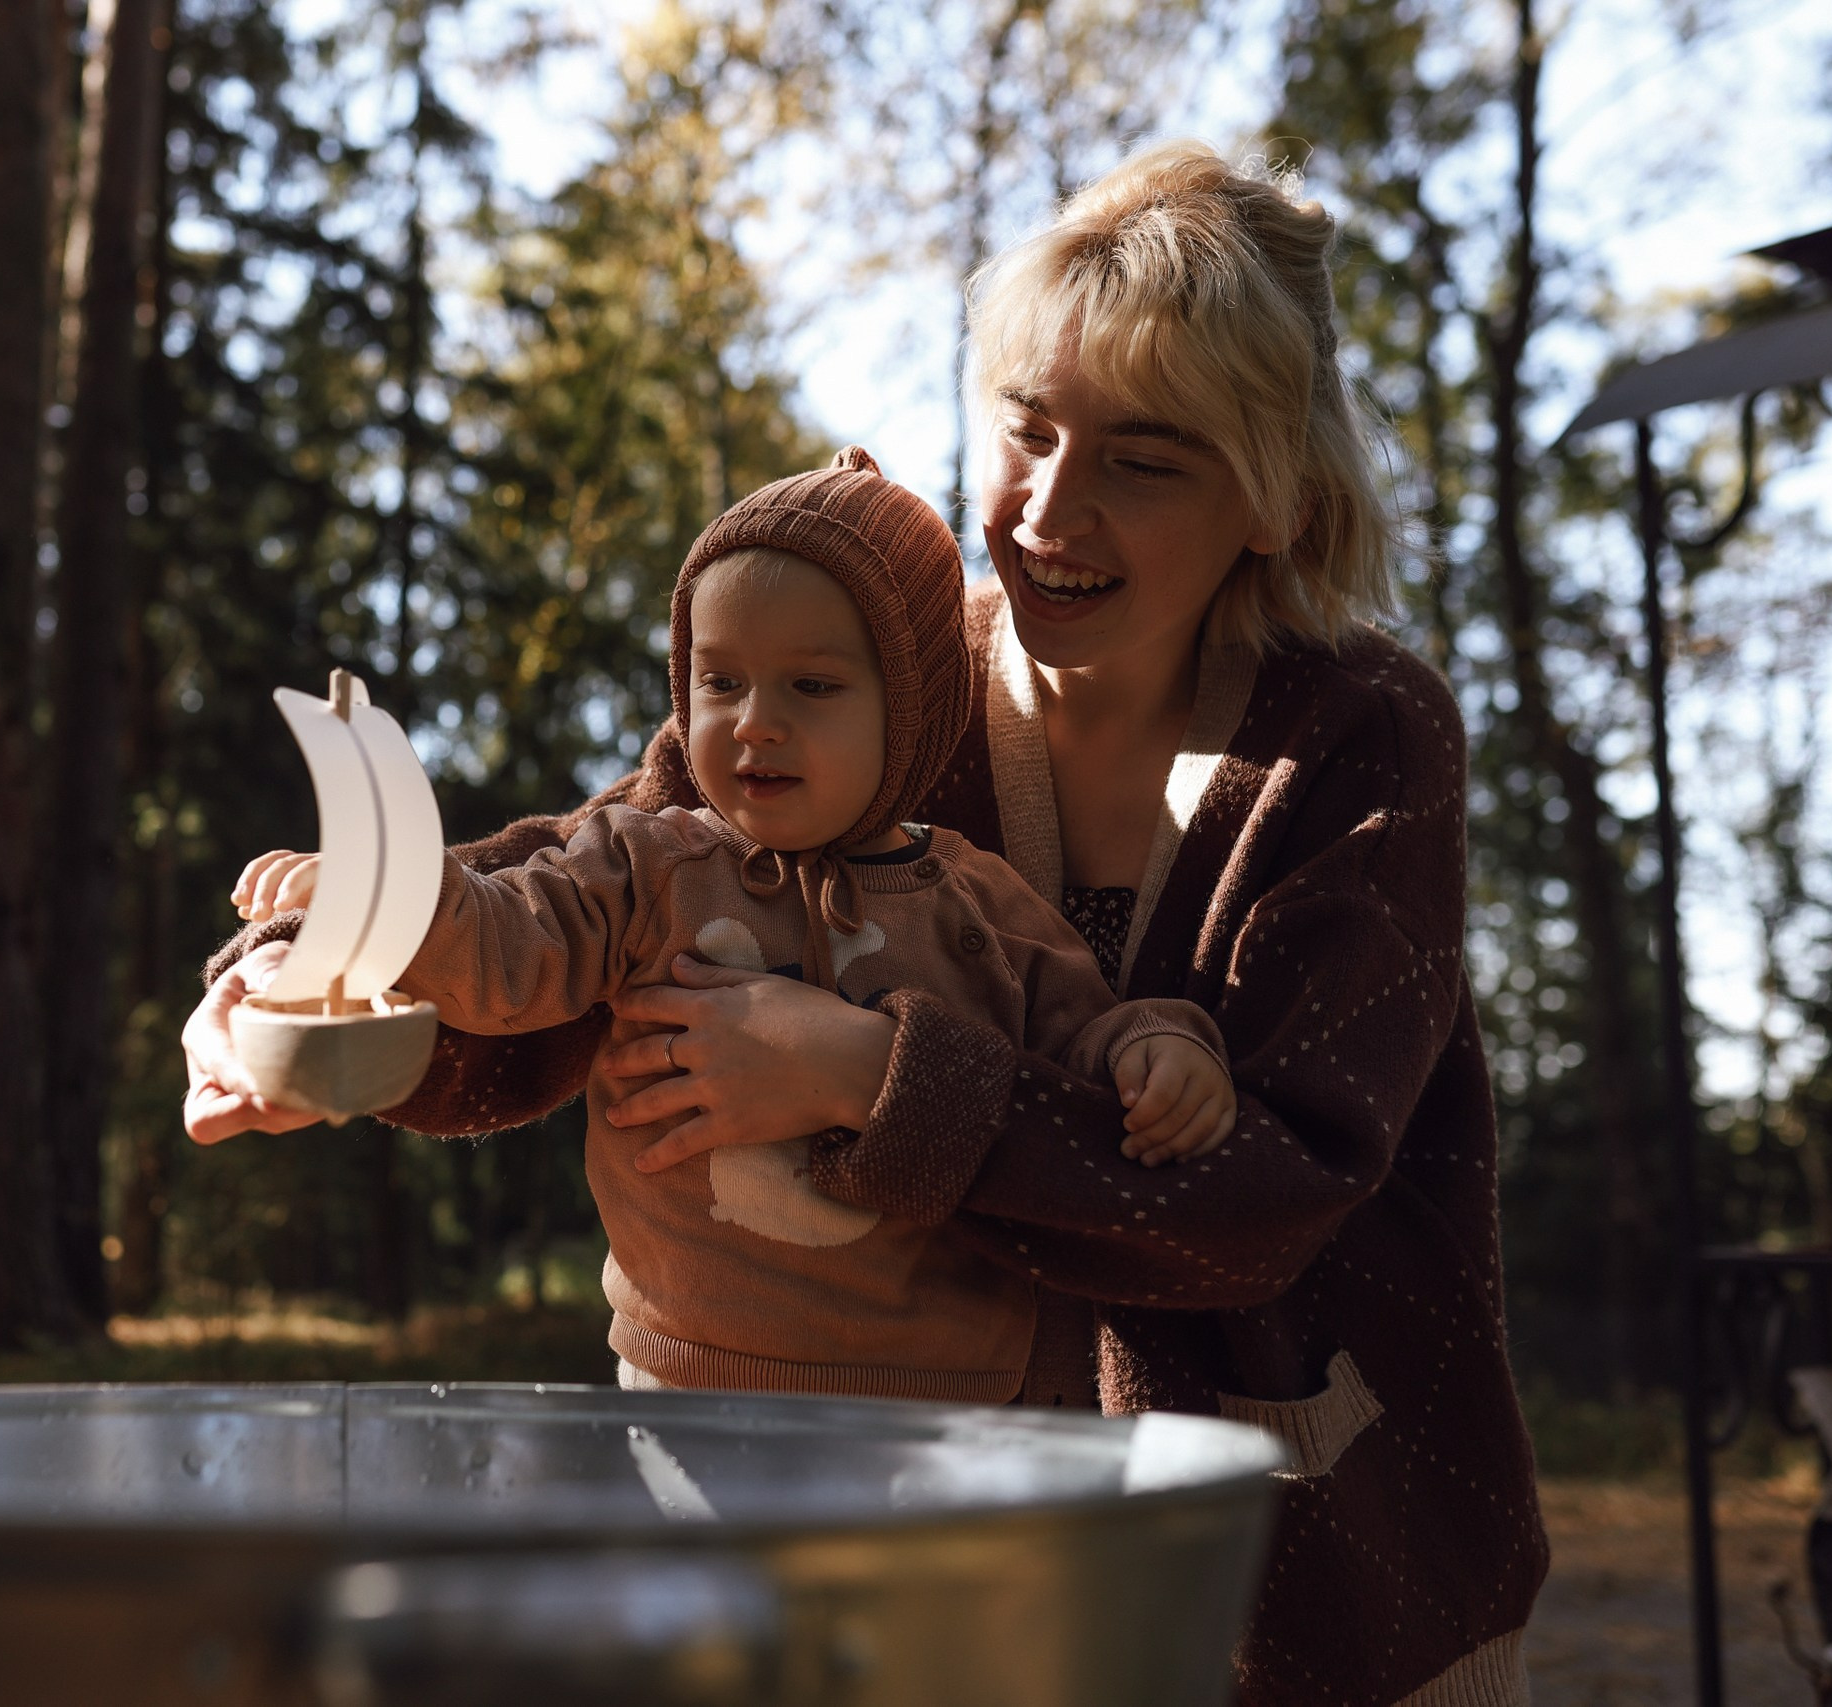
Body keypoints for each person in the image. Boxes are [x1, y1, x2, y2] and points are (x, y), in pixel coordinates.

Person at [187, 139, 1549, 1704]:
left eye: (1144, 460)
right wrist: (312, 976)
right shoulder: (867, 671)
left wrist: (860, 1074)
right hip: (933, 1579)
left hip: (1311, 1580)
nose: (1051, 507)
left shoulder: (1361, 738)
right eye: (1026, 427)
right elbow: (567, 903)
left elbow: (1259, 1198)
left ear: (1276, 499)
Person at [228, 451, 1234, 1399]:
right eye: (721, 681)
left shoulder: (975, 901)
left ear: (915, 707)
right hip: (683, 1383)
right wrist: (385, 891)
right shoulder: (642, 866)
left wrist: (1157, 1045)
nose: (755, 720)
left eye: (813, 685)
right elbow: (505, 950)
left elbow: (1082, 1036)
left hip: (938, 1403)